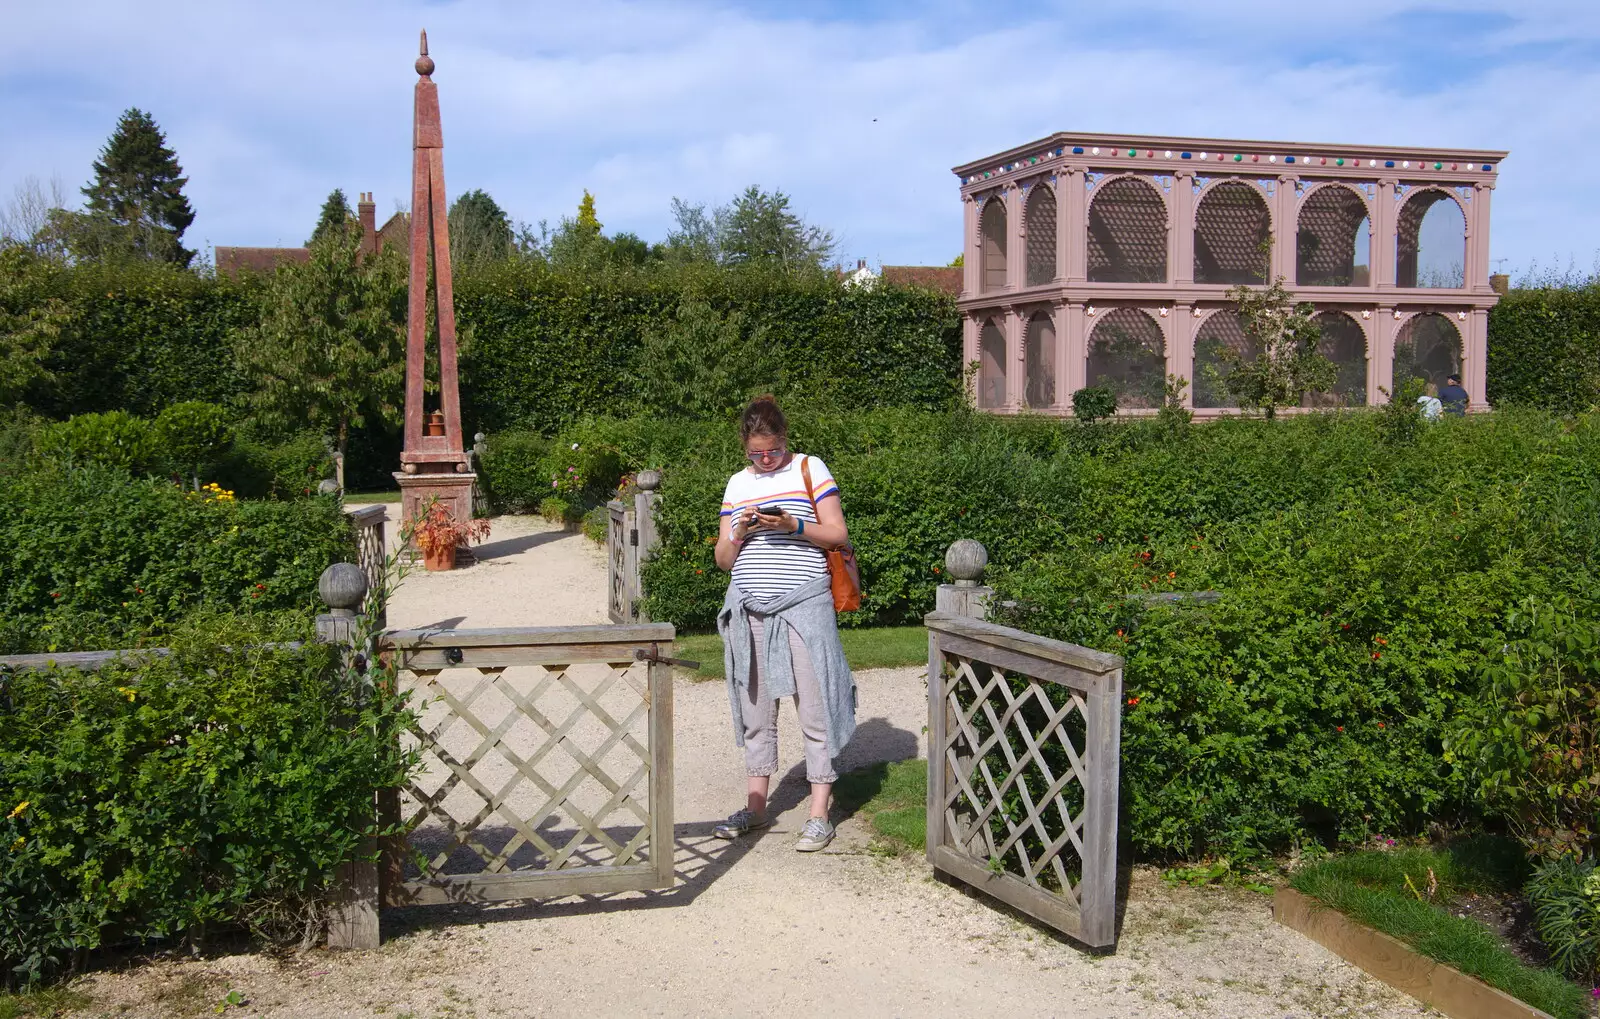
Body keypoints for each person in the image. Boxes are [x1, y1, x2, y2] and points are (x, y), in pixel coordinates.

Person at [711, 396, 856, 852]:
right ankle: (755, 809)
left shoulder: (811, 468)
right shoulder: (738, 483)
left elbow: (837, 534)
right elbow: (722, 559)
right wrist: (740, 531)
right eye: (756, 453)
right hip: (749, 608)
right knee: (755, 711)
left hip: (804, 605)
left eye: (771, 450)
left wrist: (792, 524)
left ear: (784, 439)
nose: (765, 460)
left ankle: (818, 814)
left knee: (813, 710)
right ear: (745, 448)